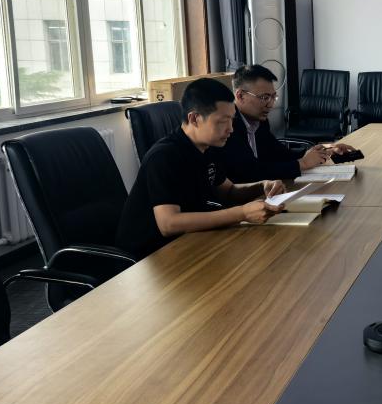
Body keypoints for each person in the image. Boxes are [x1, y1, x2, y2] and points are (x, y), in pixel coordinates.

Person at [116, 78, 287, 260]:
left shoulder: (209, 148)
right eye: (222, 121)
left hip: (189, 242)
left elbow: (228, 191)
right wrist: (242, 213)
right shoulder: (164, 156)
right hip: (149, 257)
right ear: (194, 118)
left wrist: (261, 186)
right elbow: (168, 224)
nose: (230, 129)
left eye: (232, 120)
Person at [220, 65, 355, 183]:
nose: (271, 104)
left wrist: (323, 151)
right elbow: (248, 173)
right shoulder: (228, 126)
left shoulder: (260, 122)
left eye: (273, 97)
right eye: (265, 97)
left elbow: (280, 154)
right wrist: (301, 163)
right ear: (240, 96)